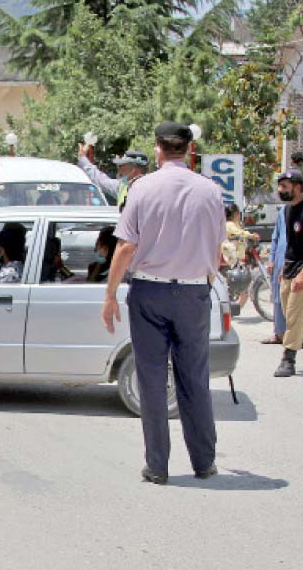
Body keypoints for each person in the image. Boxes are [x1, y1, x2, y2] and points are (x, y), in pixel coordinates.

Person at [101, 121, 225, 485]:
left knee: (152, 380)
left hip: (150, 292)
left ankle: (157, 466)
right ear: (188, 150)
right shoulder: (211, 191)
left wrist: (109, 295)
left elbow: (125, 246)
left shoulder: (142, 188)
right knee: (194, 380)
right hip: (192, 293)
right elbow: (217, 249)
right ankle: (204, 463)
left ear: (157, 148)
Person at [274, 169, 303, 377]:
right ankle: (296, 339)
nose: (280, 190)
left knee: (294, 314)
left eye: (284, 186)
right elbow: (291, 243)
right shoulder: (287, 211)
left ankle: (288, 359)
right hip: (289, 268)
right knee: (289, 312)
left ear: (297, 186)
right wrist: (283, 269)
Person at [77, 145, 148, 210]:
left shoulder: (149, 188)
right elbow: (100, 180)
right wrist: (83, 158)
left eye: (121, 166)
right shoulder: (123, 186)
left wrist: (82, 158)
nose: (119, 169)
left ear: (133, 170)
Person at [263, 206, 288, 344]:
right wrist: (271, 260)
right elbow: (275, 237)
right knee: (278, 298)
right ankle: (278, 333)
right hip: (279, 261)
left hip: (294, 262)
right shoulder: (283, 211)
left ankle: (293, 336)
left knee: (293, 301)